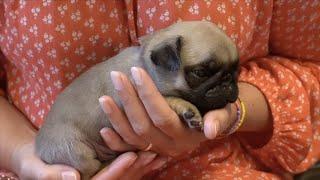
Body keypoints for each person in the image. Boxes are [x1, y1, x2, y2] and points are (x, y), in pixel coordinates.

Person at [0, 0, 319, 179]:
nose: (225, 85)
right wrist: (22, 156)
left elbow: (310, 67)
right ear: (163, 59)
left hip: (216, 168)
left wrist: (236, 113)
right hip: (50, 167)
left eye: (231, 74)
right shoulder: (151, 59)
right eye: (201, 74)